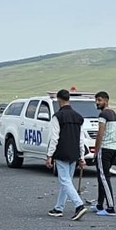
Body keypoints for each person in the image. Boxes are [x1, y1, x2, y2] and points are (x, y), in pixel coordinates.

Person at [45, 88, 89, 220]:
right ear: (68, 99)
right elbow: (81, 139)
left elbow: (54, 138)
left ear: (59, 100)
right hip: (74, 153)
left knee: (64, 181)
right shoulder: (78, 117)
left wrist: (49, 156)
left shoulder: (57, 117)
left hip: (62, 152)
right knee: (67, 181)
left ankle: (79, 205)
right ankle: (59, 208)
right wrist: (81, 157)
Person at [93, 91, 116, 216]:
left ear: (106, 100)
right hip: (114, 148)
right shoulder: (114, 114)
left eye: (99, 100)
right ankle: (99, 204)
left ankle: (110, 207)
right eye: (96, 100)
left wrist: (96, 150)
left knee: (104, 177)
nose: (97, 103)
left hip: (105, 148)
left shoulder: (103, 115)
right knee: (101, 176)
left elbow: (100, 133)